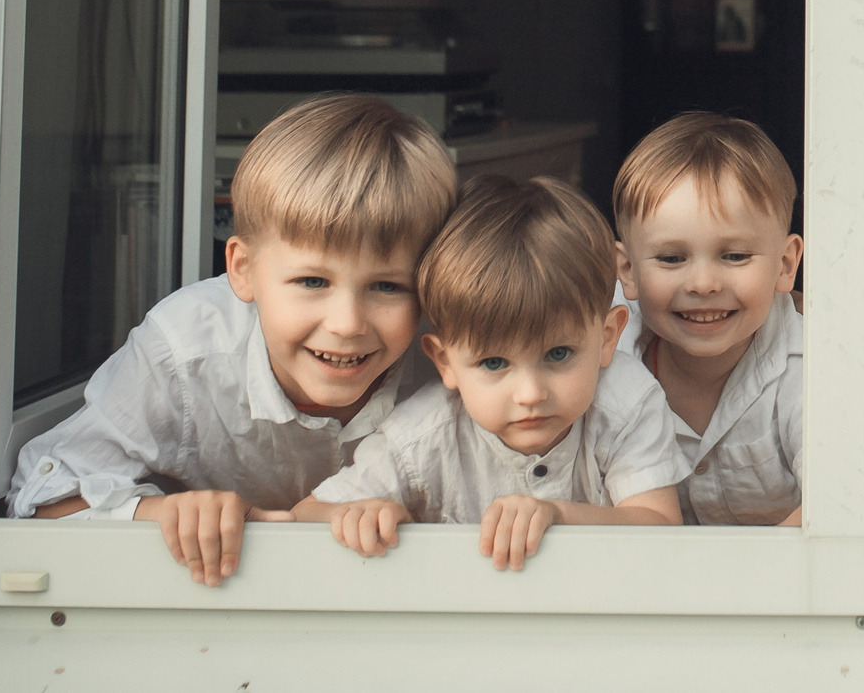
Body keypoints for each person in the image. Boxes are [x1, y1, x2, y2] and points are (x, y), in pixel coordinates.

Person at [7, 95, 458, 585]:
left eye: (388, 286)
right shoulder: (184, 351)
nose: (348, 324)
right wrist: (164, 514)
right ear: (243, 269)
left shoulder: (454, 356)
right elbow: (39, 501)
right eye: (312, 282)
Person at [297, 175, 688, 569]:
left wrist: (560, 515)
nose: (530, 393)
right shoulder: (421, 435)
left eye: (558, 354)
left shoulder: (626, 403)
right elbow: (304, 515)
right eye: (494, 363)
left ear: (607, 338)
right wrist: (353, 516)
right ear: (445, 361)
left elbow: (658, 526)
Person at [614, 111, 806, 525]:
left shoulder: (808, 371)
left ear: (785, 265)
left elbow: (839, 503)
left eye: (734, 256)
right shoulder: (604, 358)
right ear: (627, 271)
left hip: (778, 584)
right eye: (671, 258)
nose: (703, 284)